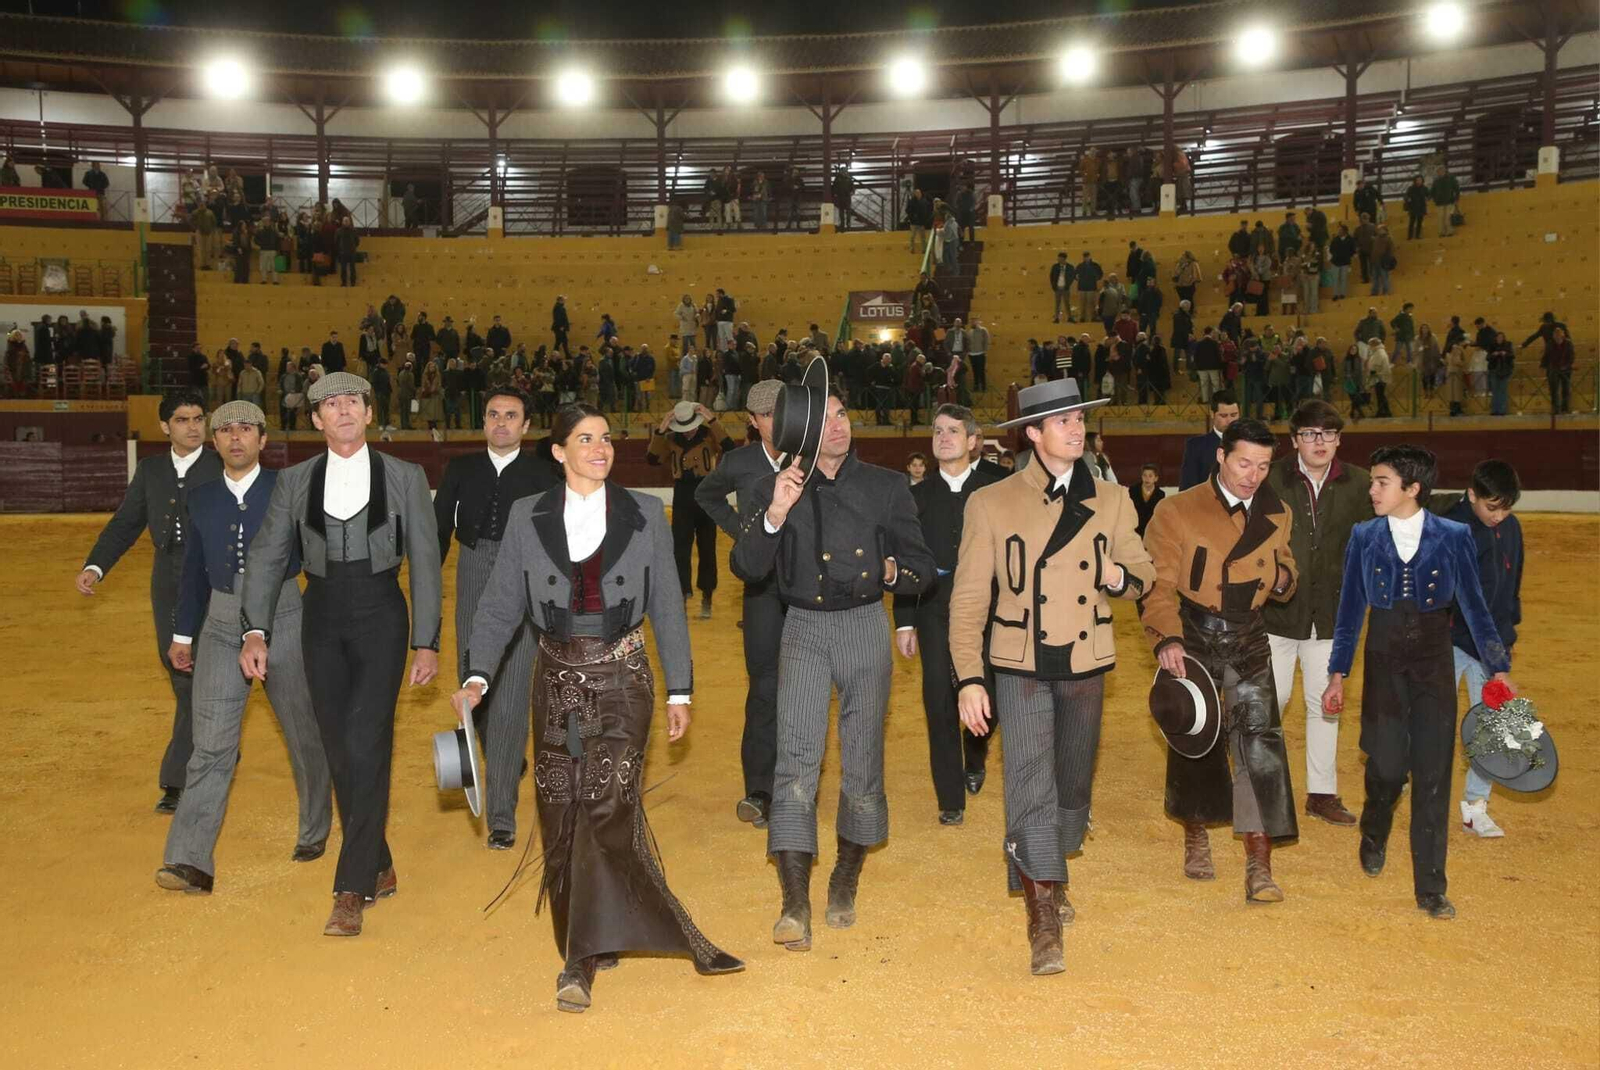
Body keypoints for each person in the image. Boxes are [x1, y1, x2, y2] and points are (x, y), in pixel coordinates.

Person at [455, 402, 743, 1012]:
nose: (601, 448)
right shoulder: (526, 516)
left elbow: (667, 603)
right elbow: (501, 601)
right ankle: (594, 930)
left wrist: (681, 690)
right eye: (585, 439)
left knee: (606, 807)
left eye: (606, 438)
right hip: (553, 679)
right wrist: (477, 674)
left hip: (622, 677)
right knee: (561, 816)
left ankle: (578, 961)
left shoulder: (645, 512)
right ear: (558, 452)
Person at [948, 378, 1155, 975]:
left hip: (1087, 660)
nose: (1075, 428)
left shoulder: (1113, 498)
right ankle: (1042, 913)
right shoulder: (991, 502)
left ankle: (1051, 865)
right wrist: (968, 677)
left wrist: (1122, 579)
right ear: (1033, 433)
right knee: (1030, 782)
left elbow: (1145, 569)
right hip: (1020, 664)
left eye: (1079, 419)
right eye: (1062, 421)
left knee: (1072, 787)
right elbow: (967, 600)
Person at [731, 373, 935, 955]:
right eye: (829, 417)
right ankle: (794, 899)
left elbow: (924, 567)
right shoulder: (775, 487)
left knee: (863, 755)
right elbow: (747, 568)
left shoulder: (887, 486)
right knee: (796, 758)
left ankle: (846, 872)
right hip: (803, 630)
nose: (840, 425)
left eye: (846, 415)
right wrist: (774, 512)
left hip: (865, 627)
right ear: (806, 429)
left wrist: (895, 573)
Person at [239, 372, 443, 937]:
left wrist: (425, 639)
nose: (344, 411)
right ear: (316, 420)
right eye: (331, 405)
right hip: (320, 615)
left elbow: (425, 560)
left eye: (353, 401)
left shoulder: (405, 476)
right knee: (338, 746)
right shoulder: (294, 481)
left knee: (366, 741)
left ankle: (349, 888)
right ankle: (377, 862)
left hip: (382, 613)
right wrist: (254, 629)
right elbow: (265, 556)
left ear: (369, 413)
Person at [1322, 446, 1511, 920]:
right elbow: (1349, 611)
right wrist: (1336, 672)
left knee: (1433, 775)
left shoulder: (1453, 536)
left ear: (1413, 489)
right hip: (1383, 662)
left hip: (1432, 664)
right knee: (1386, 768)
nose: (1372, 490)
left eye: (1381, 482)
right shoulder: (1364, 536)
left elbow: (1474, 605)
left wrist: (1497, 665)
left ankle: (1431, 887)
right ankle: (1375, 824)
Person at [155, 401, 333, 895]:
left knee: (302, 730)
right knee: (210, 745)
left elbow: (318, 558)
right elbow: (192, 569)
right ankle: (188, 859)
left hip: (283, 611)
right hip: (219, 617)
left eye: (246, 429)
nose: (235, 437)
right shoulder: (203, 495)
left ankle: (315, 827)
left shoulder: (288, 488)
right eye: (225, 430)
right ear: (214, 442)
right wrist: (183, 633)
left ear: (262, 439)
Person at [1140, 419, 1300, 903]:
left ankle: (1258, 858)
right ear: (1221, 457)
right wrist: (1167, 638)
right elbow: (1158, 585)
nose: (1253, 475)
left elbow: (1287, 563)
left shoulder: (1278, 511)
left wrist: (1281, 580)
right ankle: (1196, 831)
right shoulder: (1176, 510)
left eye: (1263, 465)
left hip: (1249, 638)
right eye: (1244, 463)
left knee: (1259, 746)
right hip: (1194, 636)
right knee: (1196, 739)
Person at [77, 390, 222, 812]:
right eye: (183, 419)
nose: (193, 426)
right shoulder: (152, 470)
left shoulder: (221, 466)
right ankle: (214, 747)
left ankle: (179, 779)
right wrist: (96, 566)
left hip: (213, 581)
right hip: (167, 583)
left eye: (198, 419)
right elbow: (125, 523)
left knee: (198, 674)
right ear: (165, 426)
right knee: (181, 672)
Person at [434, 387, 561, 850]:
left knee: (508, 701)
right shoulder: (461, 468)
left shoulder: (547, 474)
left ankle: (501, 814)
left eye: (511, 416)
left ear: (526, 426)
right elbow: (436, 535)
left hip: (526, 579)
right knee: (474, 686)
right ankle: (504, 757)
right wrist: (426, 601)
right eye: (493, 415)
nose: (501, 423)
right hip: (471, 571)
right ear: (483, 420)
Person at [892, 405, 1007, 826]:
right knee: (938, 697)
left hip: (995, 610)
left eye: (953, 431)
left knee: (989, 692)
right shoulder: (913, 497)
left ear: (974, 440)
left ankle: (975, 752)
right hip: (934, 607)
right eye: (938, 431)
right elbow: (903, 559)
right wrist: (905, 619)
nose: (943, 438)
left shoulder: (999, 487)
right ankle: (950, 798)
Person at [1263, 401, 1372, 829]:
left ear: (1339, 439)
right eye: (1309, 434)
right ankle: (1263, 789)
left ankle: (1322, 793)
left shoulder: (1360, 484)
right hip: (1275, 614)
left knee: (1324, 705)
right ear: (1294, 441)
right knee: (1272, 700)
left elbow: (1370, 545)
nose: (1319, 442)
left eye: (1328, 434)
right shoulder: (1271, 478)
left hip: (1330, 614)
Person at [694, 381, 789, 829]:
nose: (776, 419)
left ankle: (797, 782)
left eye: (782, 411)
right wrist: (742, 534)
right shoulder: (738, 462)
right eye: (767, 414)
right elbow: (705, 496)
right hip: (763, 588)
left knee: (809, 687)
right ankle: (760, 789)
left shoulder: (812, 458)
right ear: (753, 421)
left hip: (812, 587)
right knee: (765, 687)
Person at [1432, 460, 1524, 838]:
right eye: (1492, 507)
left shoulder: (1511, 528)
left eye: (1506, 508)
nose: (1499, 516)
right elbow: (1458, 602)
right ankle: (1421, 795)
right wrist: (1496, 656)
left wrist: (1505, 643)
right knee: (1431, 726)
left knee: (1489, 729)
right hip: (1448, 643)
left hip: (1491, 646)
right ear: (1471, 495)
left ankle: (1475, 808)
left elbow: (1510, 590)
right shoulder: (1452, 531)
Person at [648, 401, 737, 620]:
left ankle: (707, 596)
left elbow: (730, 447)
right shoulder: (669, 439)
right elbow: (651, 460)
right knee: (680, 550)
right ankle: (682, 596)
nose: (689, 431)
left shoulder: (708, 434)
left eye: (692, 425)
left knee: (707, 548)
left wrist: (711, 417)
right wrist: (661, 428)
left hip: (707, 494)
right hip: (683, 496)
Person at [1178, 389, 1239, 490]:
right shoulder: (1195, 446)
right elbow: (1187, 489)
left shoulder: (1250, 444)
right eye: (1223, 416)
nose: (1230, 421)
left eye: (1234, 415)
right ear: (1212, 414)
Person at [1130, 462, 1164, 537]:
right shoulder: (1132, 491)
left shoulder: (1160, 494)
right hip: (1134, 531)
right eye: (1144, 475)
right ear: (1141, 477)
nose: (1147, 478)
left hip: (1152, 532)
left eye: (1150, 476)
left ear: (1156, 478)